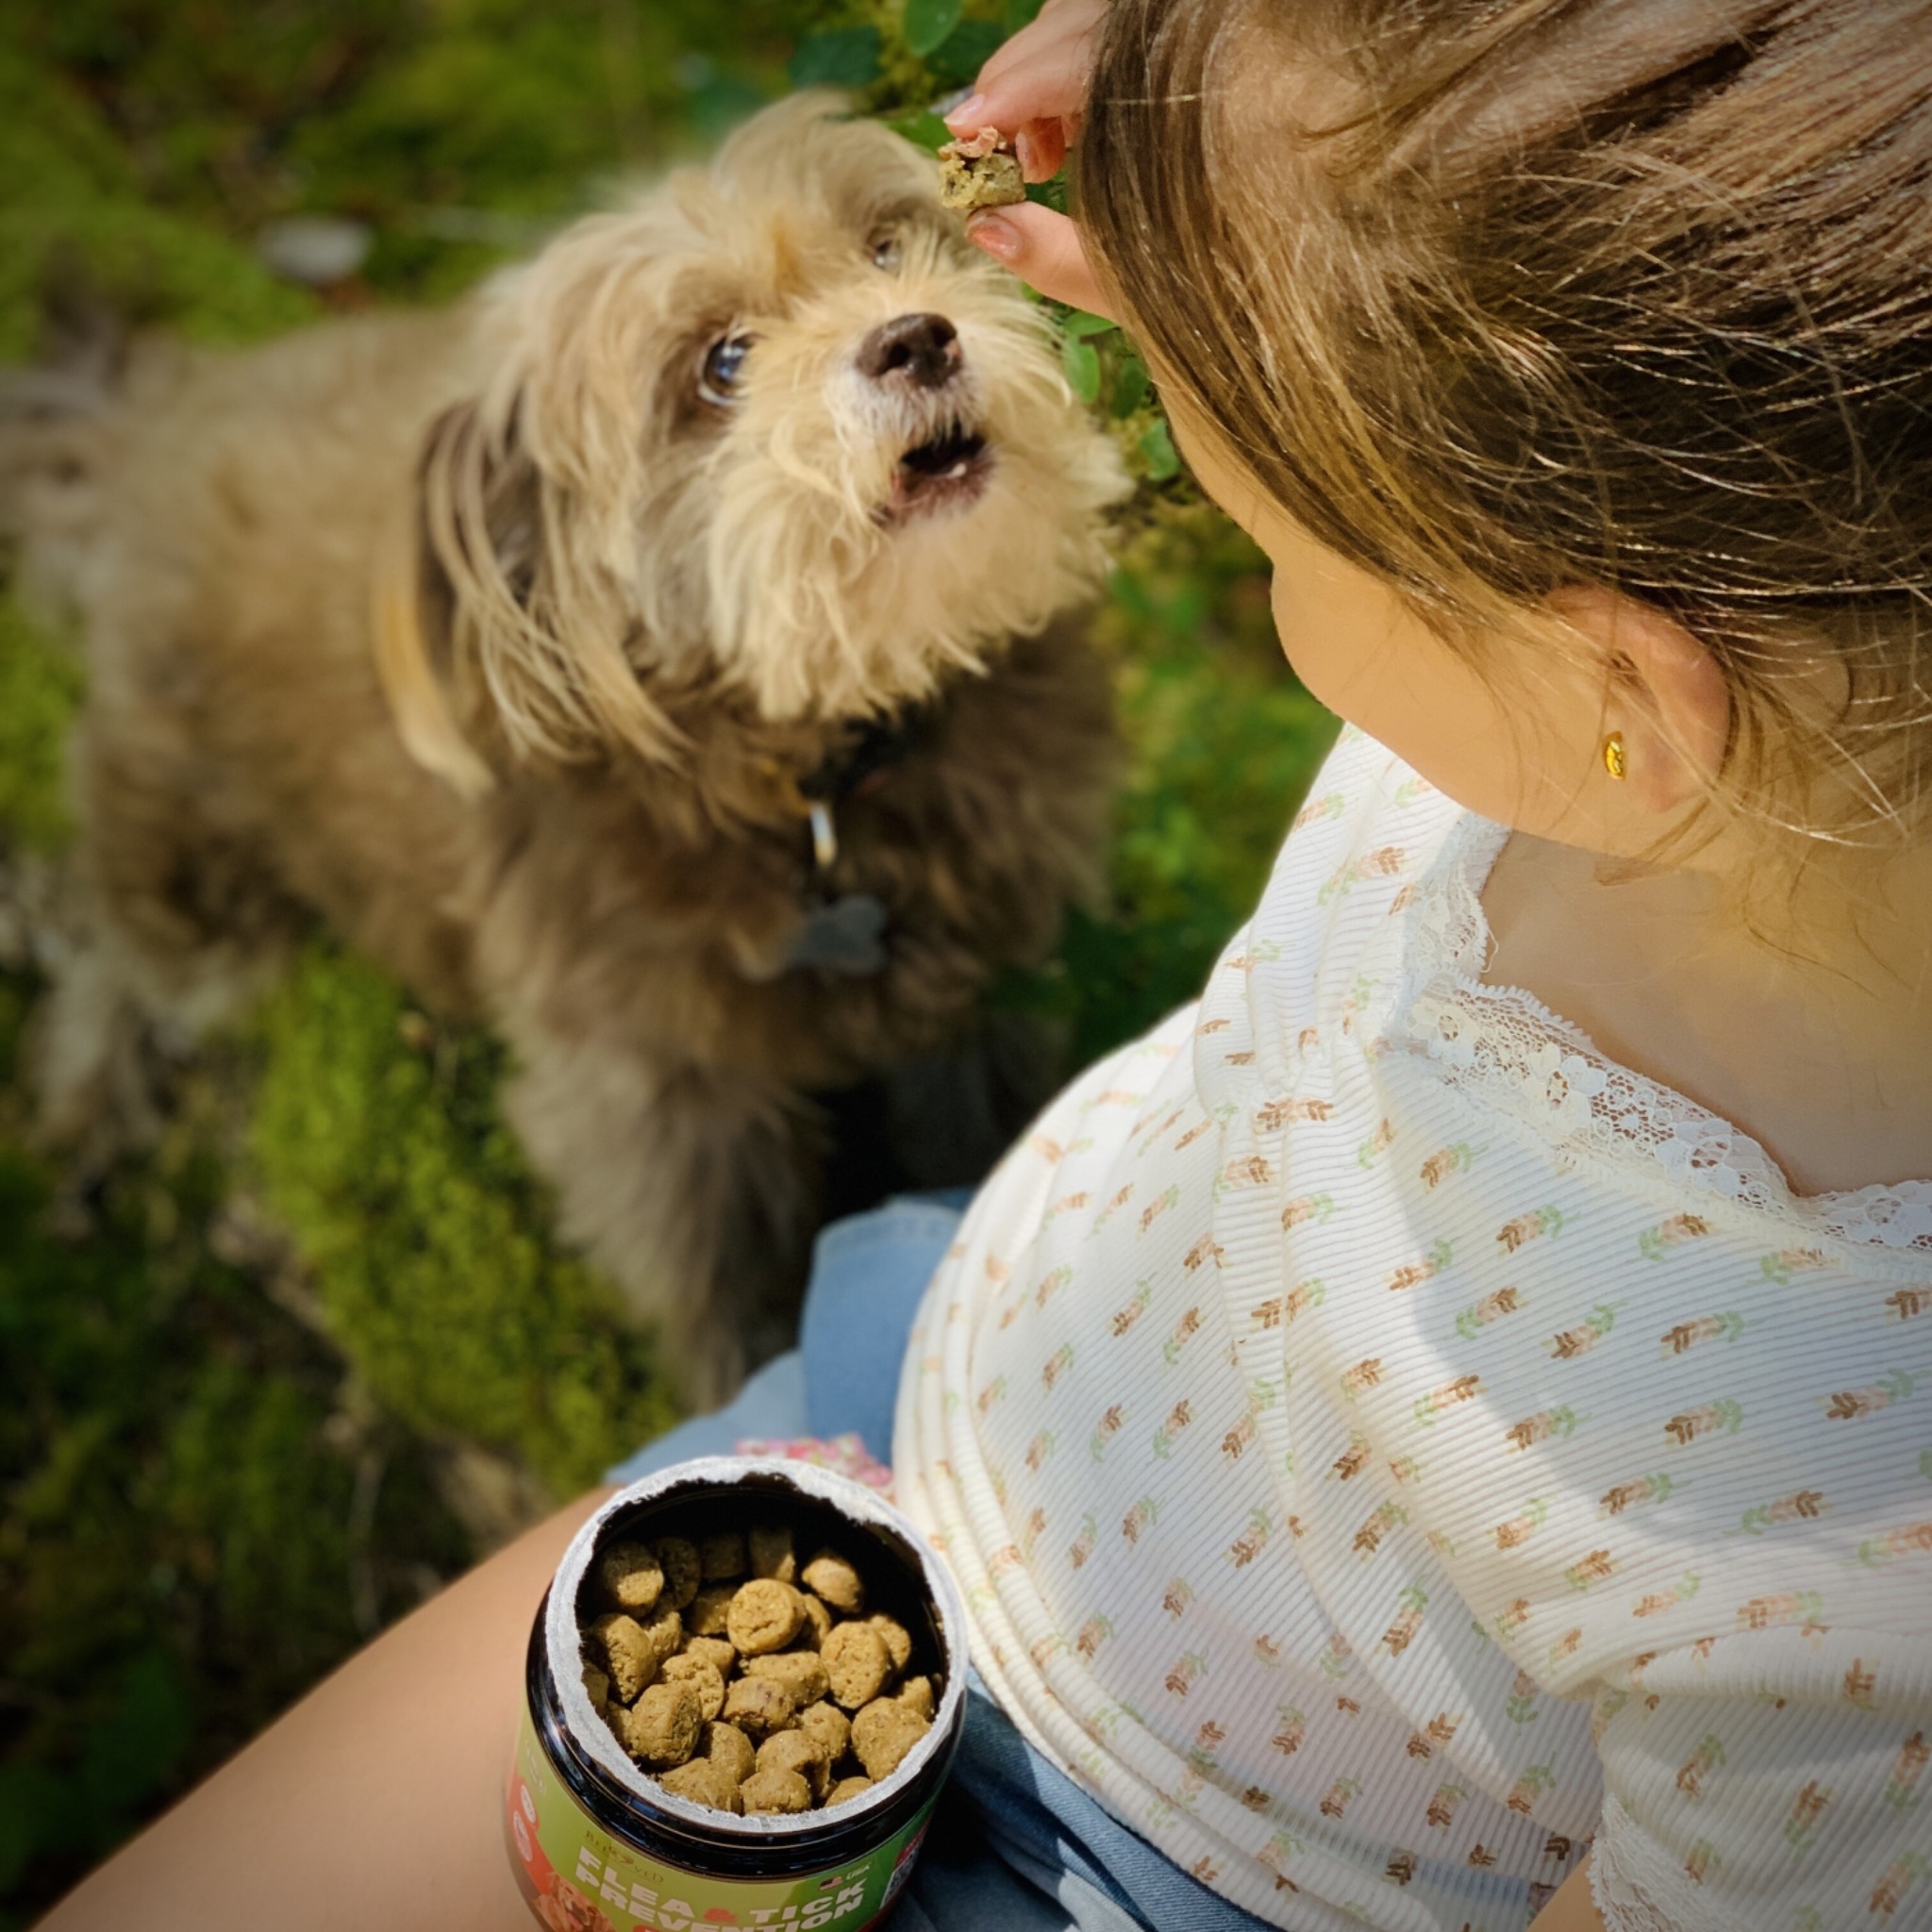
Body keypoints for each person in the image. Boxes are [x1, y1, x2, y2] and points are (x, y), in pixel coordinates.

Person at [38, 1, 1932, 1927]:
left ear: (1604, 675)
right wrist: (1254, 155)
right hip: (974, 1336)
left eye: (1273, 536)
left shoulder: (1846, 1599)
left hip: (1130, 1853)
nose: (909, 317)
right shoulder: (1576, 717)